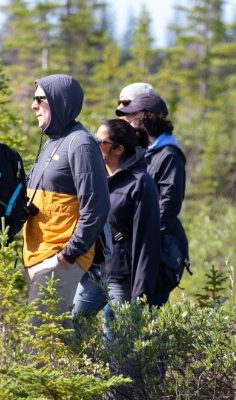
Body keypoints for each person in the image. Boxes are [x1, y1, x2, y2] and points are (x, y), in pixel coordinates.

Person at [23, 74, 110, 324]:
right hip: (40, 255)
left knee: (38, 345)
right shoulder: (53, 142)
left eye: (40, 99)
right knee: (50, 342)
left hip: (59, 258)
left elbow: (96, 206)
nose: (34, 105)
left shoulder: (80, 143)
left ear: (59, 101)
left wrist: (68, 255)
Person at [72, 119, 161, 317]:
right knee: (73, 325)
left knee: (118, 343)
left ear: (118, 149)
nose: (93, 144)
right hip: (94, 271)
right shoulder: (96, 175)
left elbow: (146, 242)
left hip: (122, 278)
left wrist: (141, 292)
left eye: (99, 141)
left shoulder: (140, 183)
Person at [116, 93, 189, 305]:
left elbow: (169, 205)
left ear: (147, 118)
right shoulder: (145, 151)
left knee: (145, 316)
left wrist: (145, 238)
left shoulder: (169, 154)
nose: (127, 121)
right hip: (139, 246)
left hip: (156, 250)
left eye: (132, 116)